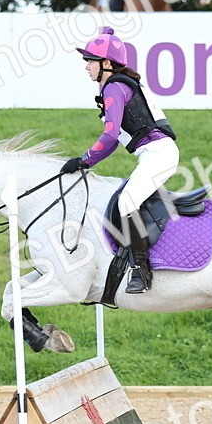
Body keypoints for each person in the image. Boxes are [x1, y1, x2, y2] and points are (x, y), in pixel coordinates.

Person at [61, 27, 179, 294]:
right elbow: (115, 140)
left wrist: (83, 160)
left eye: (90, 61)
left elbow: (110, 134)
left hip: (158, 153)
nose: (86, 67)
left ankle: (141, 270)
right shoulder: (115, 87)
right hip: (154, 153)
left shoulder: (114, 86)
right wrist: (86, 162)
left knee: (127, 201)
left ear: (106, 63)